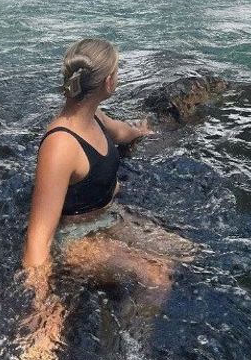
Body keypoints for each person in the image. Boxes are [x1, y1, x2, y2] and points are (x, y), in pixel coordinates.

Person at [19, 38, 194, 359]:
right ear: (109, 81)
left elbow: (122, 132)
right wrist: (43, 311)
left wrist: (140, 132)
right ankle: (125, 348)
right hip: (72, 238)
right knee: (156, 276)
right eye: (117, 71)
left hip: (108, 218)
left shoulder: (96, 118)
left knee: (186, 253)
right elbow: (37, 238)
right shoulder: (60, 145)